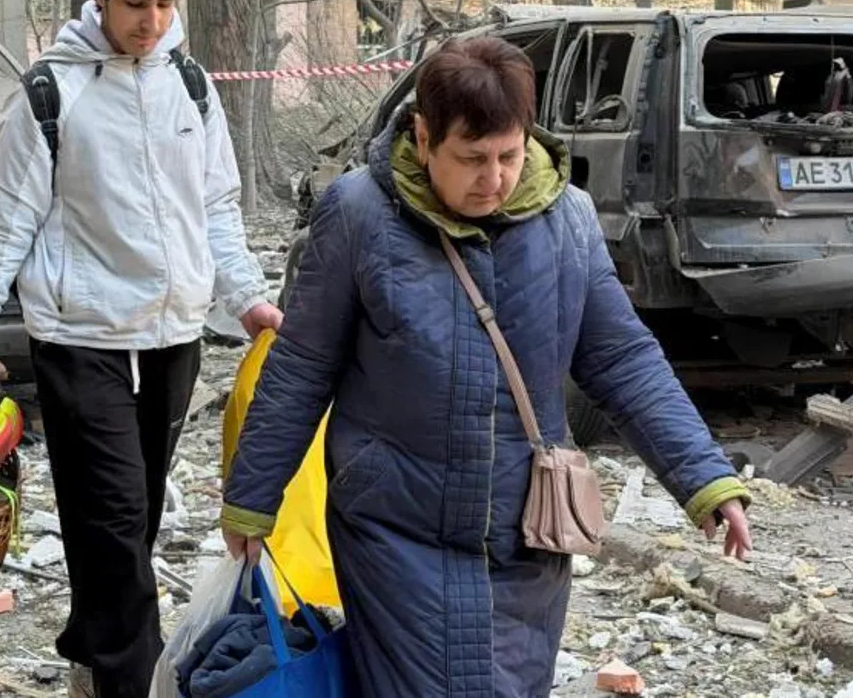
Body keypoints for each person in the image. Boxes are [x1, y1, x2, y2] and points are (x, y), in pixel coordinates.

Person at [220, 36, 753, 697]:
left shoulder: (568, 220)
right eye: (471, 158)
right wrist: (251, 497)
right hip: (395, 531)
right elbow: (302, 367)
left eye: (508, 154)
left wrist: (705, 478)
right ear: (422, 135)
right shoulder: (358, 215)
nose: (493, 178)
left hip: (524, 536)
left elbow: (624, 360)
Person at [0, 0, 283, 698]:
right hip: (79, 335)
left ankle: (91, 656)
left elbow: (218, 207)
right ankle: (138, 680)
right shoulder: (51, 93)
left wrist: (248, 297)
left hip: (173, 335)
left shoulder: (191, 85)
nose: (151, 22)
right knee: (116, 518)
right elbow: (5, 216)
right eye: (135, 3)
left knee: (131, 522)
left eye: (164, 4)